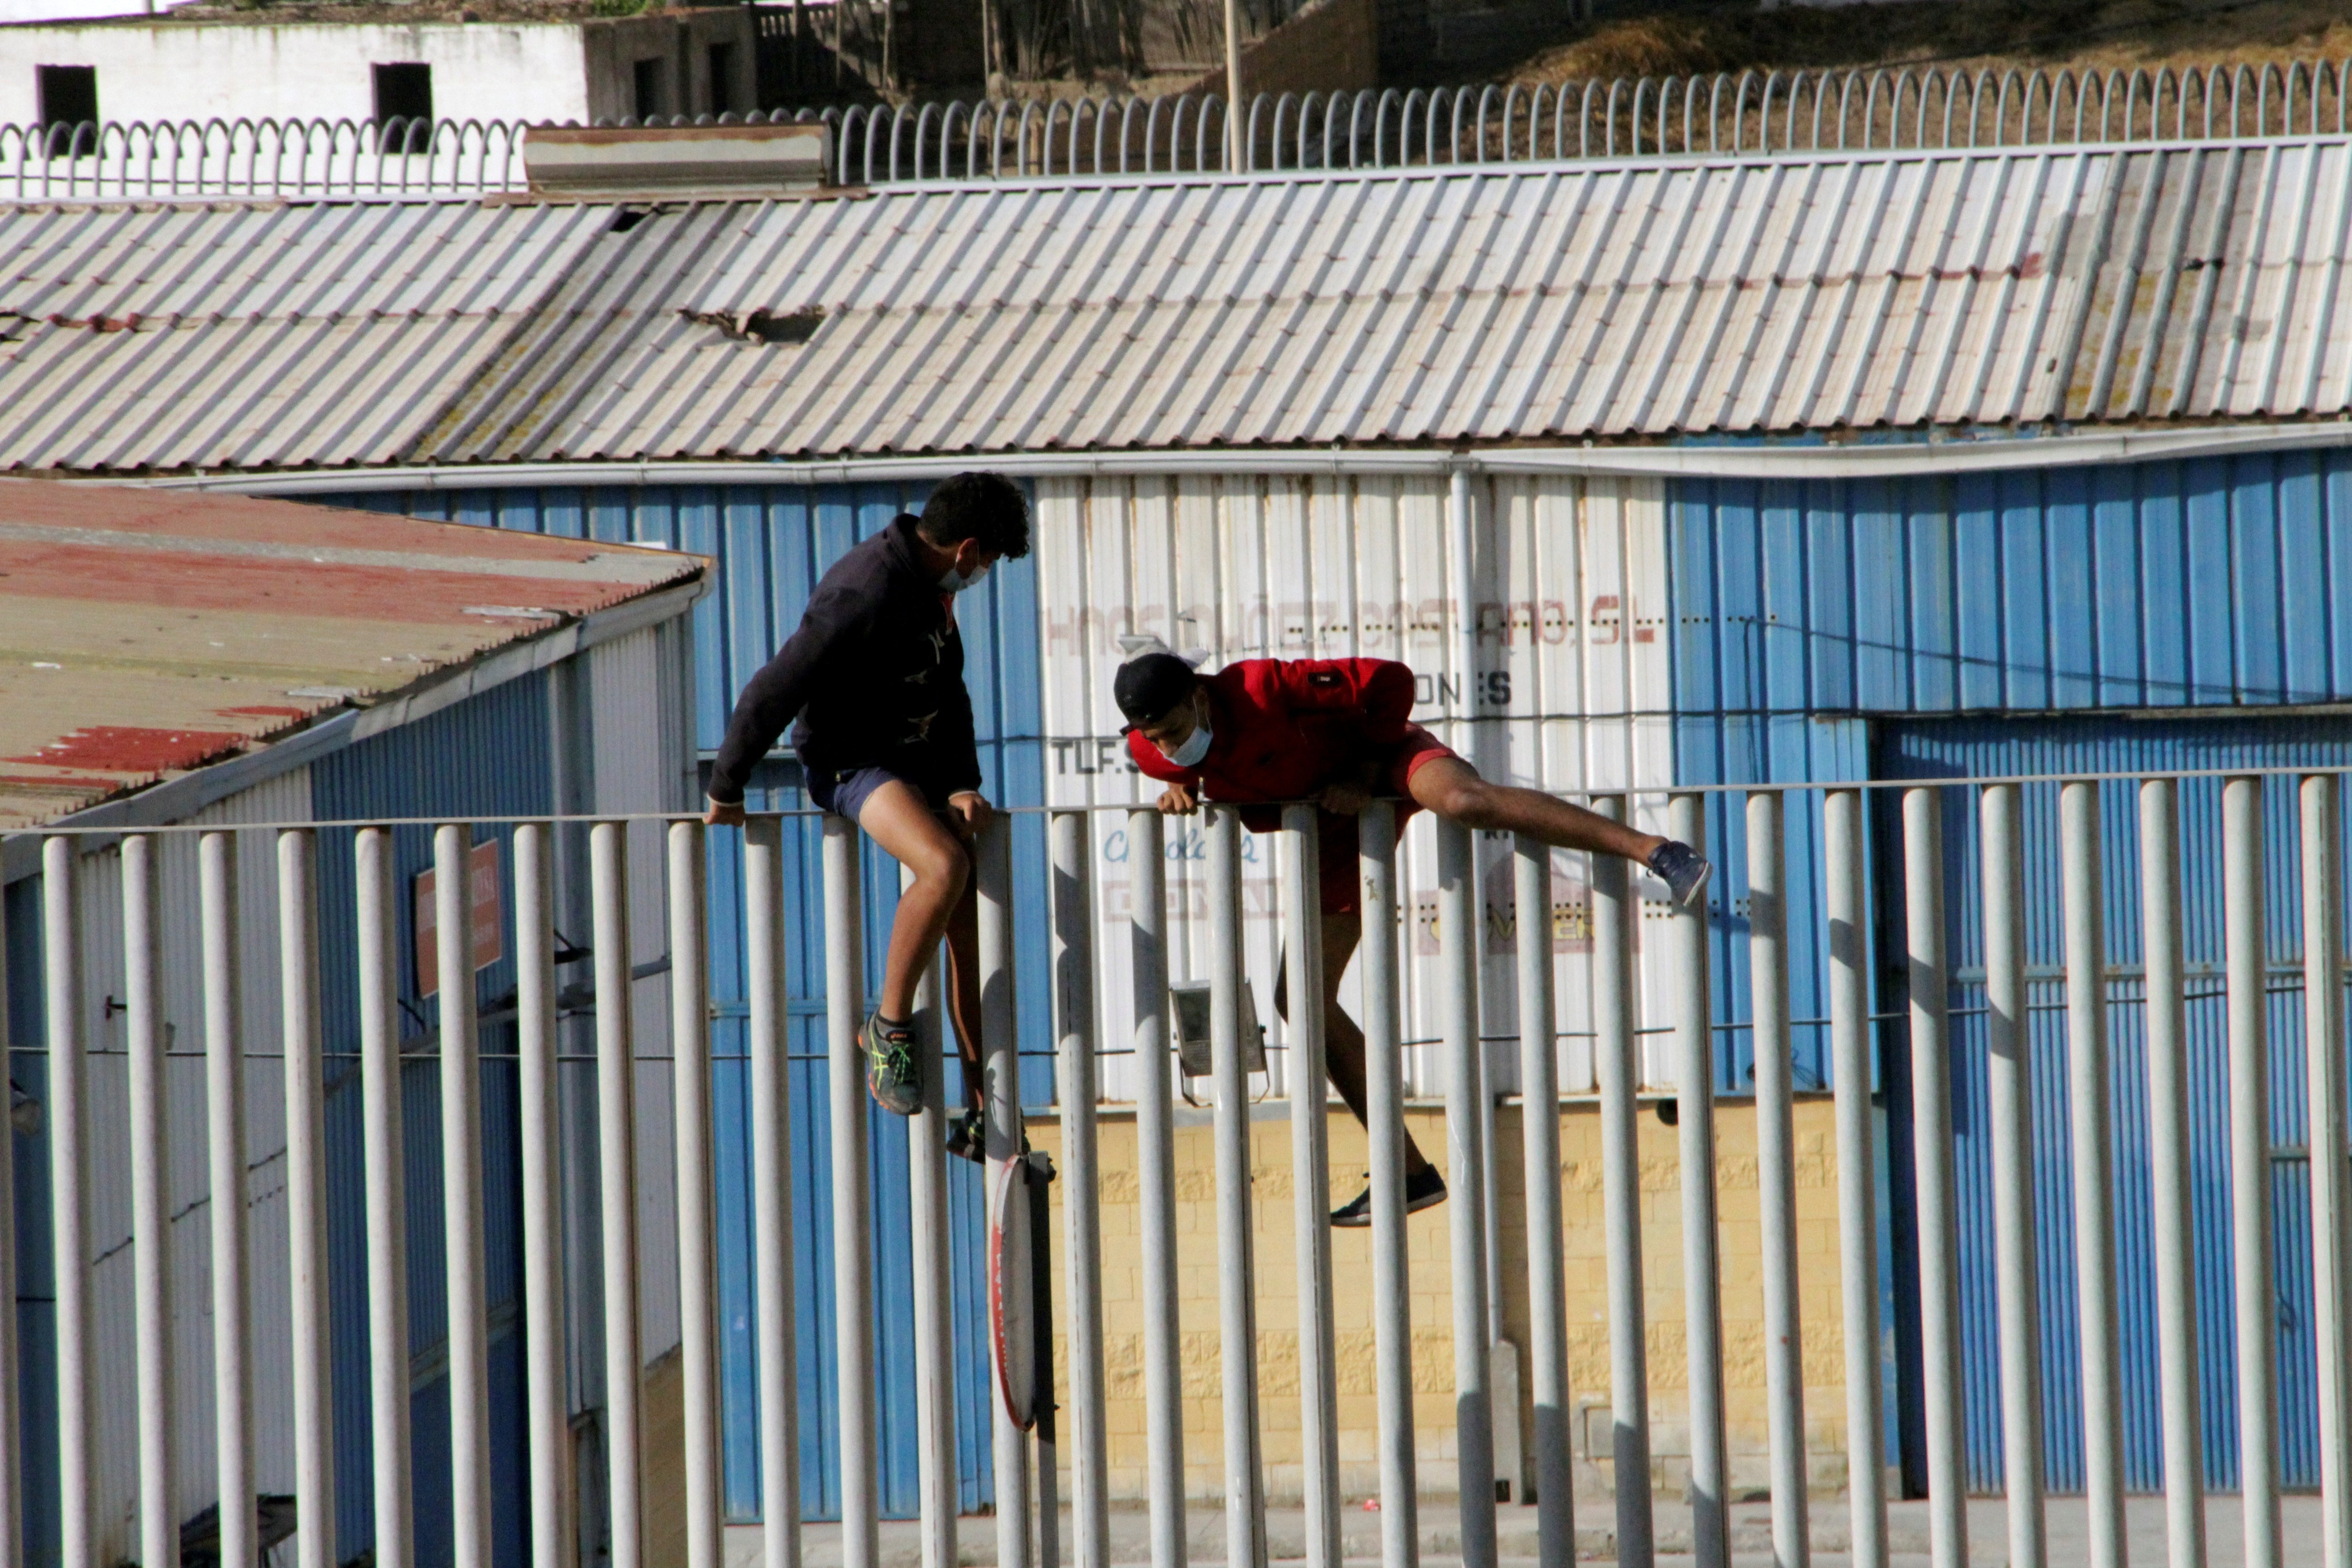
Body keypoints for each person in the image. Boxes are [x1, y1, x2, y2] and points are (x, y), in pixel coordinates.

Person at [1115, 650, 1710, 1224]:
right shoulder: (1154, 751)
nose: (1167, 745)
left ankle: (1658, 851)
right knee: (1300, 1002)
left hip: (1386, 763)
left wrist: (1370, 769)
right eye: (1157, 738)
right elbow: (1188, 765)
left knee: (1463, 800)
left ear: (1199, 695)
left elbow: (1390, 680)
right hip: (1332, 823)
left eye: (1173, 730)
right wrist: (1183, 785)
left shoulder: (1264, 686)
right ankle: (1409, 1174)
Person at [705, 472, 1031, 1160]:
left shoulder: (932, 583)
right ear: (967, 549)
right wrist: (727, 784)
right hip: (852, 762)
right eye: (992, 562)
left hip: (913, 761)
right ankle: (887, 1028)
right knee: (943, 868)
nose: (987, 575)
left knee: (966, 916)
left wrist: (964, 782)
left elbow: (952, 689)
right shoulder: (865, 591)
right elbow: (776, 685)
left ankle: (982, 1107)